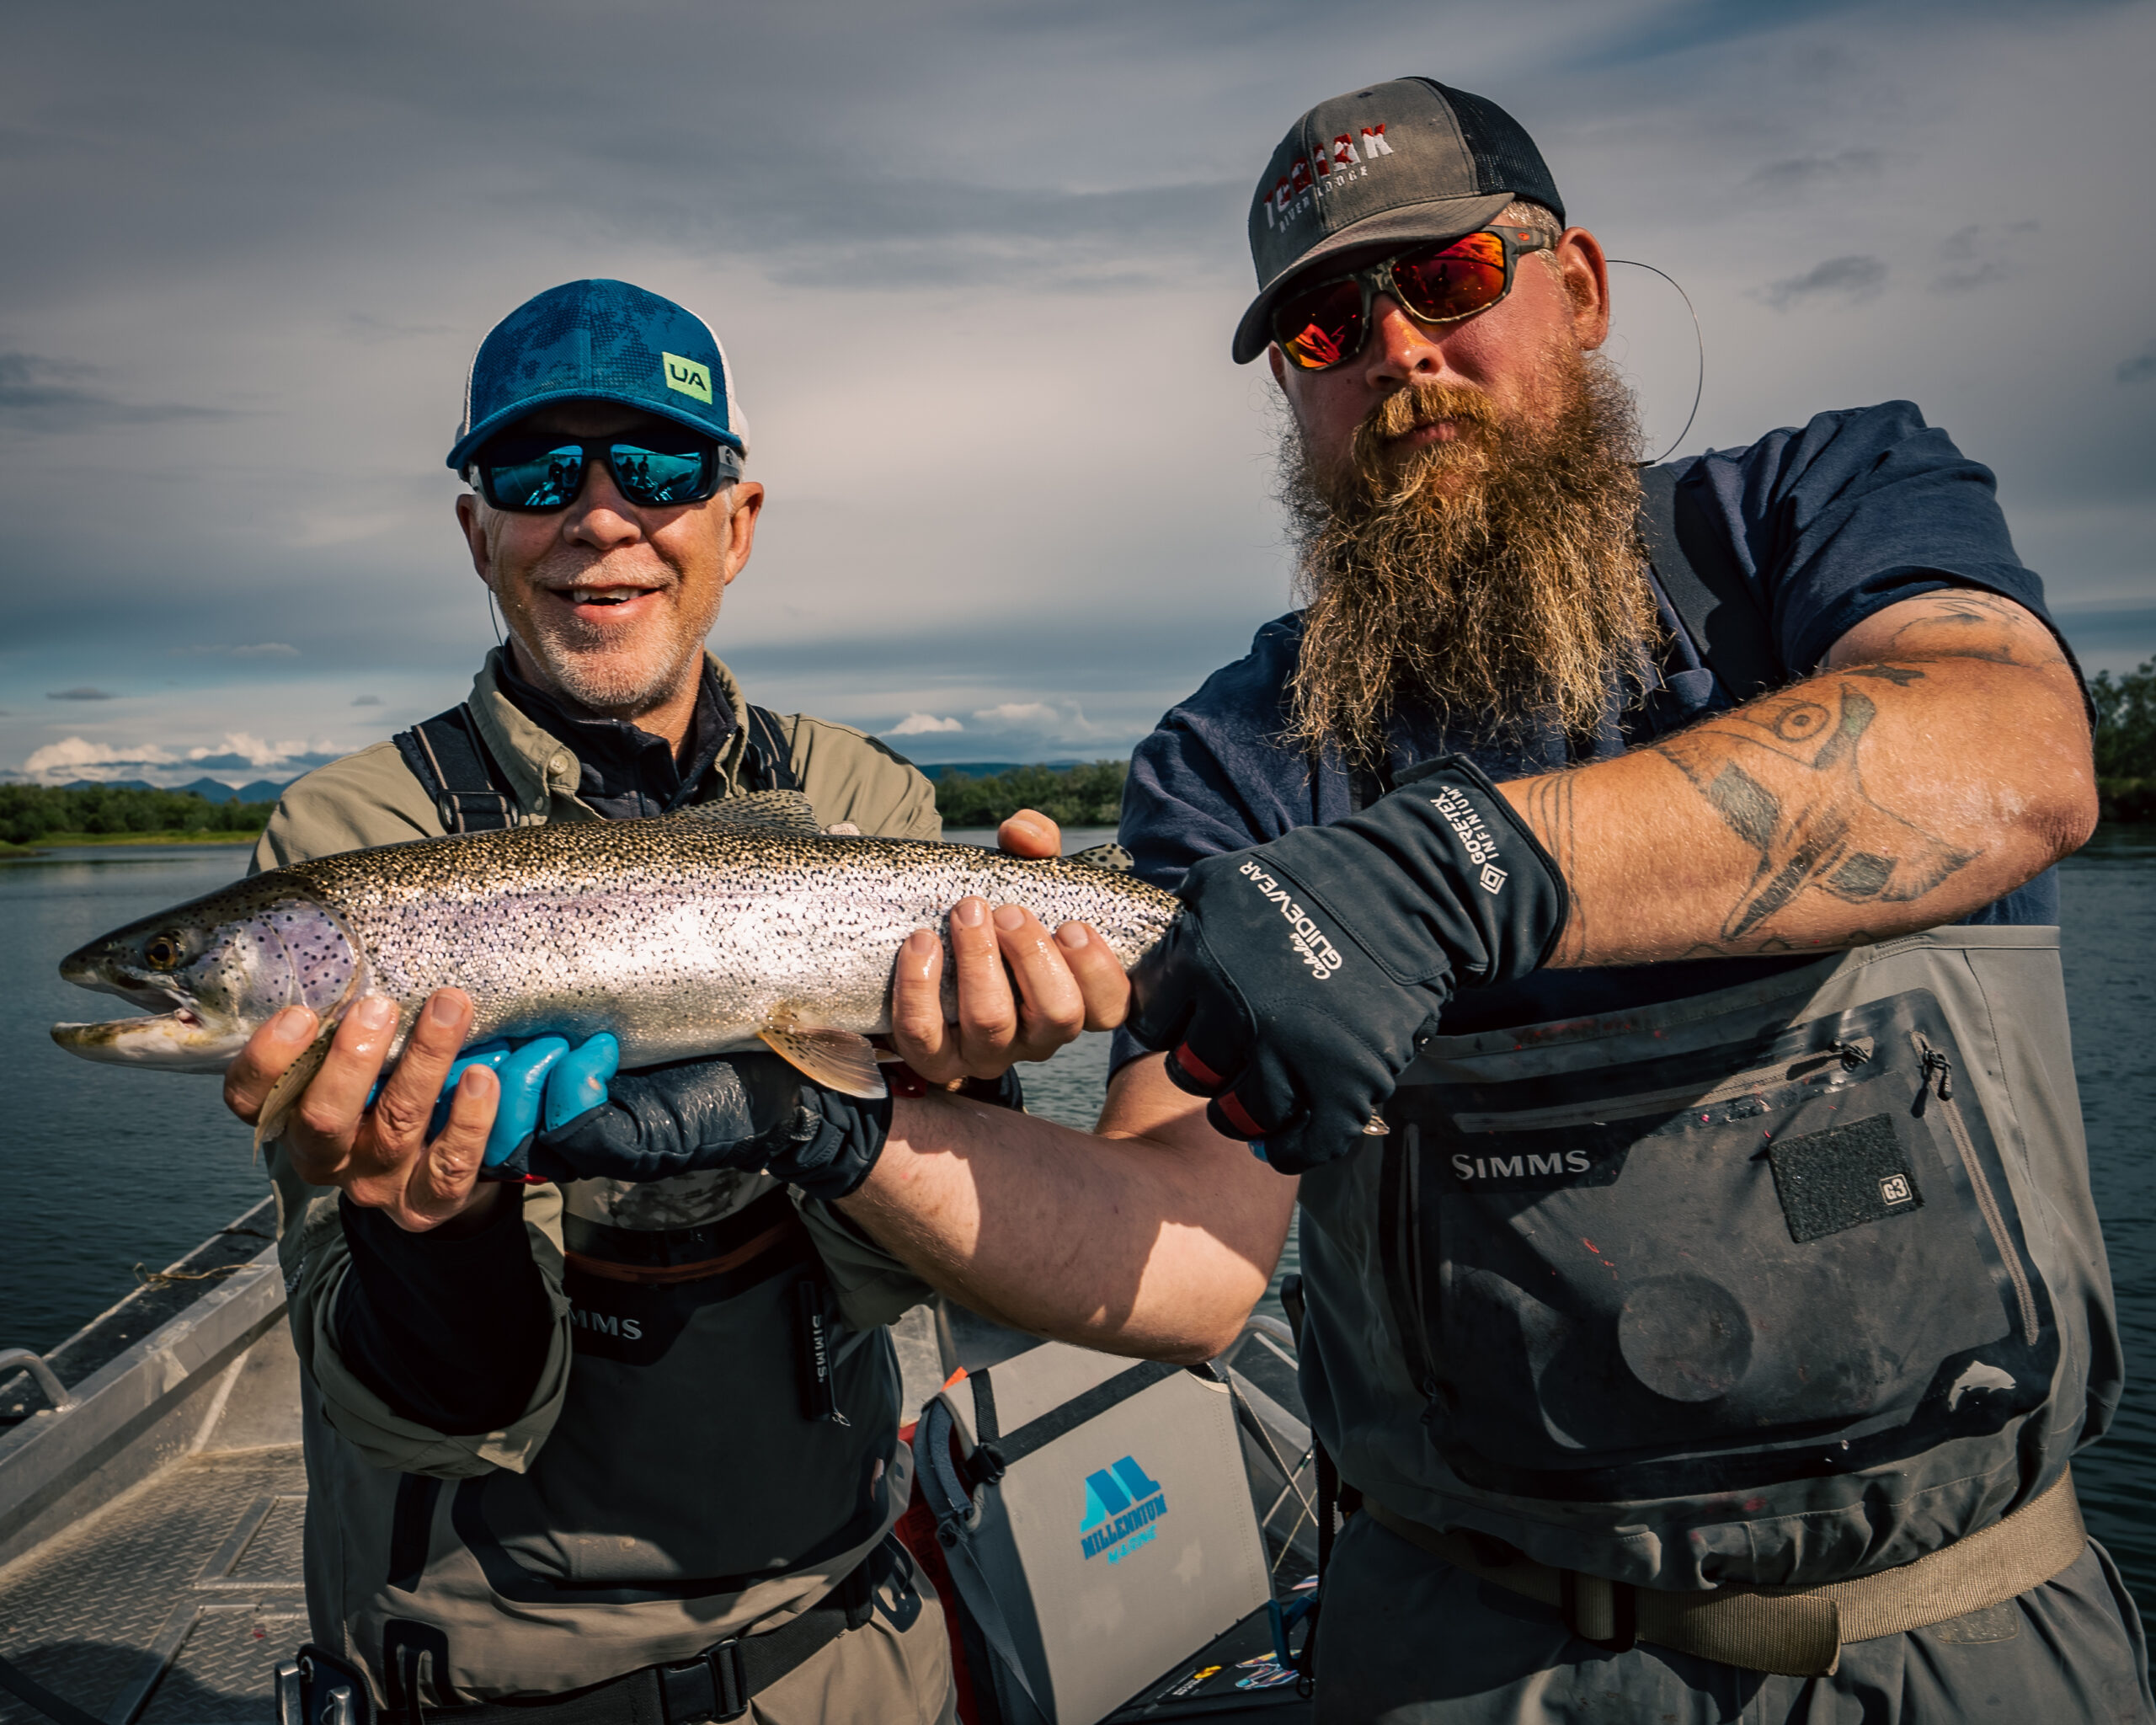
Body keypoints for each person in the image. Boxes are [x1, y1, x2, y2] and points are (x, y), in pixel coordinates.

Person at [787, 77, 2152, 1722]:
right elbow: (1190, 1253)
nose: (1393, 352)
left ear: (1571, 286)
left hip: (1951, 1633)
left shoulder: (1811, 514)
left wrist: (1464, 867)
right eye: (1318, 331)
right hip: (1452, 1643)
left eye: (1442, 281)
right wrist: (837, 1123)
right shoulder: (1234, 756)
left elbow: (2005, 756)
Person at [220, 278, 1116, 1725]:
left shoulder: (863, 802)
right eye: (533, 473)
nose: (597, 514)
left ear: (735, 522)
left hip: (843, 1650)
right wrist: (432, 1221)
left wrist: (969, 1081)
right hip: (485, 1686)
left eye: (651, 468)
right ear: (478, 533)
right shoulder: (346, 847)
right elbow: (411, 1396)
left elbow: (920, 1275)